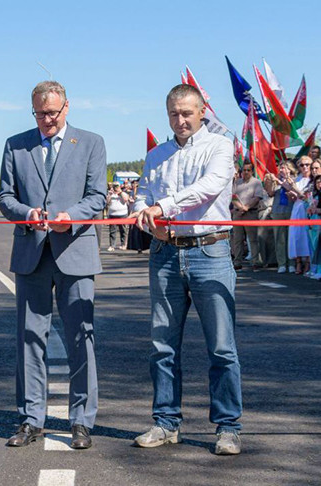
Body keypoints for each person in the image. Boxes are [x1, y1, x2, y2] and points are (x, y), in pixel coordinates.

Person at [130, 84, 242, 455]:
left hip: (209, 252)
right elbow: (142, 199)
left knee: (222, 347)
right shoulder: (156, 154)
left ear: (201, 112)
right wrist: (151, 221)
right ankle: (165, 422)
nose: (181, 120)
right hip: (165, 254)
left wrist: (163, 207)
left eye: (187, 113)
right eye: (174, 114)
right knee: (162, 346)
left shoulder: (220, 146)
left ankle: (227, 428)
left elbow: (208, 189)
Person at [0, 80, 106, 450]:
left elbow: (98, 197)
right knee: (29, 340)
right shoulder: (16, 144)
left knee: (81, 339)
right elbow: (5, 197)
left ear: (67, 107)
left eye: (52, 112)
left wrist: (70, 217)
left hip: (75, 250)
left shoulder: (91, 143)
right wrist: (27, 213)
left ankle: (81, 421)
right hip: (31, 255)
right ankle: (31, 419)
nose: (45, 119)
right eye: (39, 113)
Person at [231, 162, 265, 271]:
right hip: (238, 213)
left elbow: (257, 198)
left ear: (252, 171)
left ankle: (255, 261)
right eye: (244, 170)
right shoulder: (237, 182)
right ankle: (237, 262)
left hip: (251, 213)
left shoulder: (257, 183)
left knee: (253, 239)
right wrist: (241, 208)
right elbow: (233, 197)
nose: (245, 172)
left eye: (248, 170)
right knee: (237, 239)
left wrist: (246, 207)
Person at [288, 156, 313, 274]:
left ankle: (308, 262)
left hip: (308, 210)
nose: (305, 167)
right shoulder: (297, 179)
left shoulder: (314, 180)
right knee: (296, 235)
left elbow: (306, 197)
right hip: (297, 209)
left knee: (307, 235)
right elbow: (295, 197)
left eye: (307, 164)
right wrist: (291, 193)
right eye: (302, 165)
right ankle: (298, 262)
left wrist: (295, 190)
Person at [106, 183, 130, 251]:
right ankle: (112, 245)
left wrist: (120, 192)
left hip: (122, 214)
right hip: (112, 214)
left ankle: (123, 244)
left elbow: (125, 199)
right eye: (114, 186)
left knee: (123, 230)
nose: (115, 188)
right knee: (112, 231)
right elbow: (107, 202)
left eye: (117, 186)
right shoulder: (110, 193)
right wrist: (110, 194)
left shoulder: (123, 193)